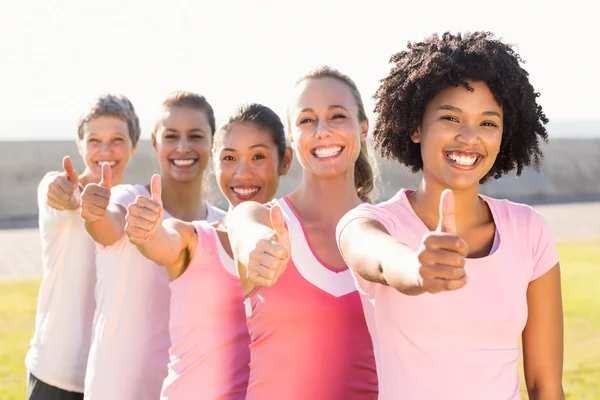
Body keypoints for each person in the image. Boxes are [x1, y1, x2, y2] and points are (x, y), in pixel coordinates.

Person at [336, 31, 564, 399]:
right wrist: (416, 267)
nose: (470, 136)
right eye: (450, 117)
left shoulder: (530, 232)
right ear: (415, 126)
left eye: (488, 123)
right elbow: (378, 258)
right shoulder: (370, 224)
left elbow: (545, 385)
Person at [227, 66, 379, 399]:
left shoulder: (389, 230)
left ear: (363, 127)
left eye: (337, 116)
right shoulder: (264, 219)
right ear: (293, 139)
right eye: (307, 120)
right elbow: (243, 228)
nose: (322, 131)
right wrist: (256, 247)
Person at [124, 103, 293, 399]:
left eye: (258, 156)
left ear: (285, 160)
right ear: (214, 161)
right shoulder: (195, 238)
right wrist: (147, 232)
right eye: (229, 157)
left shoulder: (300, 247)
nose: (242, 173)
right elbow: (164, 241)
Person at [81, 91, 225, 399]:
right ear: (156, 143)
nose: (183, 147)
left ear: (213, 143)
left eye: (195, 136)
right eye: (171, 136)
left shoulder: (222, 224)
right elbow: (106, 226)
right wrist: (95, 213)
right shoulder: (127, 199)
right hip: (114, 390)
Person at [25, 94, 140, 400]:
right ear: (79, 145)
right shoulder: (60, 189)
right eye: (94, 140)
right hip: (55, 375)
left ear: (134, 146)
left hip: (111, 381)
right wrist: (64, 194)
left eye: (117, 139)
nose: (105, 150)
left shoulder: (135, 207)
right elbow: (58, 193)